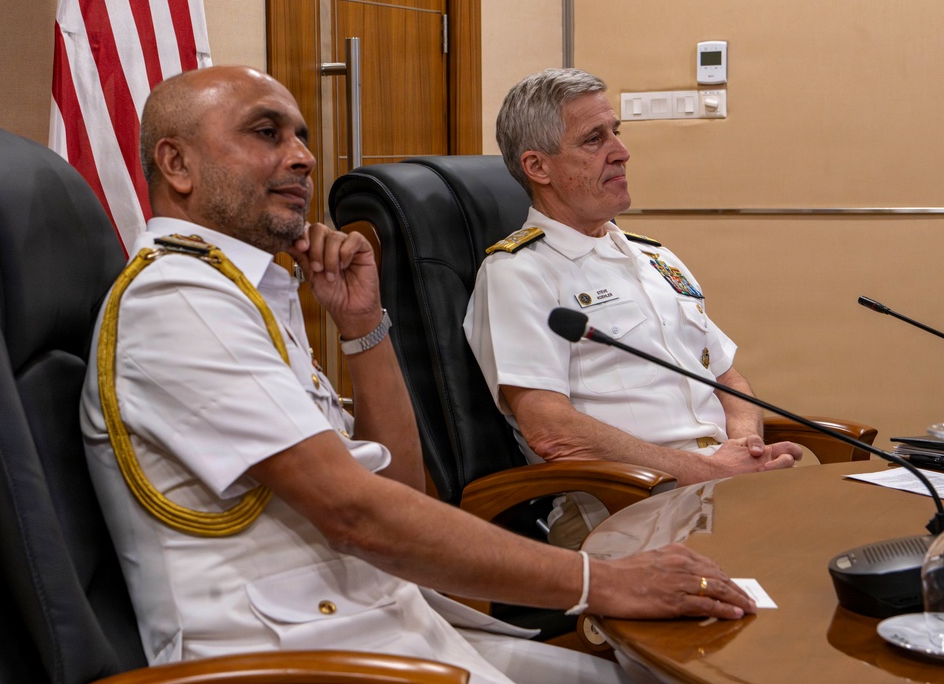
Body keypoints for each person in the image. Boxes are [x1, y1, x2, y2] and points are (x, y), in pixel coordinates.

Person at [80, 65, 757, 684]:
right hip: (300, 660)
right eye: (266, 132)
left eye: (302, 136)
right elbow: (354, 513)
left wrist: (364, 329)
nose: (302, 156)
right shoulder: (181, 301)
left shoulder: (242, 294)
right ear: (177, 164)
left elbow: (399, 487)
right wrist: (600, 582)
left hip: (379, 621)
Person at [463, 69, 805, 542]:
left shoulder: (655, 257)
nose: (621, 151)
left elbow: (726, 376)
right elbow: (550, 429)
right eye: (593, 139)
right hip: (625, 504)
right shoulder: (518, 273)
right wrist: (703, 470)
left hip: (720, 488)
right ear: (538, 168)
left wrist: (743, 447)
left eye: (616, 133)